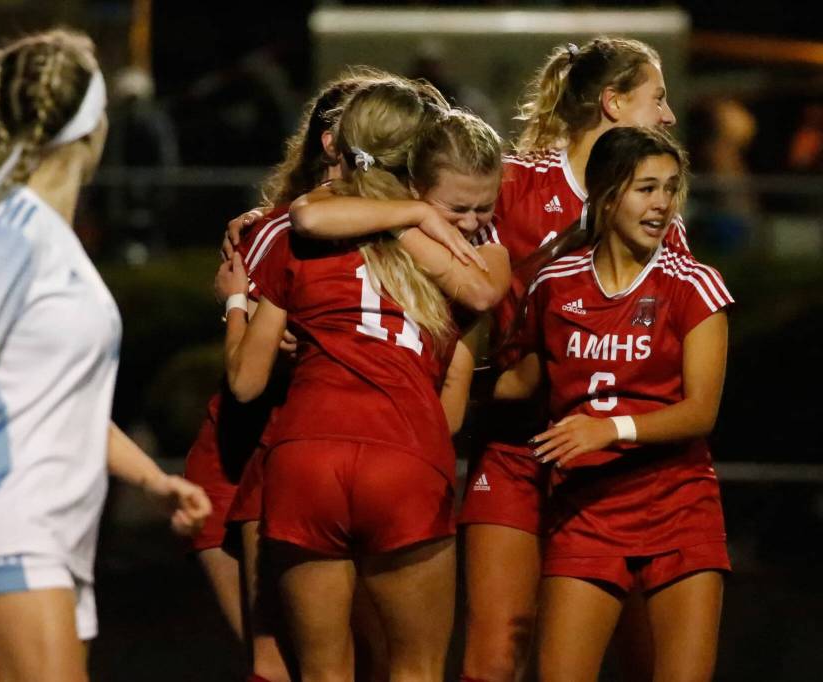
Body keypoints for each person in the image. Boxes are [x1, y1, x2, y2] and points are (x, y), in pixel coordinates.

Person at [0, 28, 210, 682]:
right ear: (91, 126)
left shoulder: (51, 239)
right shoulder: (11, 230)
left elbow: (66, 405)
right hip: (12, 521)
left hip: (58, 536)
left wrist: (153, 482)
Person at [215, 79, 508, 682]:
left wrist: (235, 304)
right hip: (403, 448)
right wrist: (423, 218)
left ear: (337, 144)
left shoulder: (293, 232)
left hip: (304, 455)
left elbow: (245, 383)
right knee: (416, 668)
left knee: (319, 670)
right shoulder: (457, 246)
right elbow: (478, 306)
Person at [457, 37, 684, 682]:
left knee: (637, 659)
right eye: (657, 98)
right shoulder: (511, 182)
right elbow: (414, 221)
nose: (668, 116)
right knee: (495, 657)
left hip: (614, 460)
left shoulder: (659, 208)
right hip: (515, 447)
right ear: (612, 104)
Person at [496, 125, 732, 682]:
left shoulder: (695, 285)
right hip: (587, 511)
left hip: (678, 508)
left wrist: (610, 429)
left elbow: (702, 411)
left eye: (670, 188)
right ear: (605, 195)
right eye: (645, 188)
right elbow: (523, 380)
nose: (662, 204)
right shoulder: (556, 282)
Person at [184, 72, 372, 682]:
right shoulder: (277, 229)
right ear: (332, 145)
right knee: (274, 663)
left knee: (335, 658)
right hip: (244, 450)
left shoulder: (405, 232)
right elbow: (245, 374)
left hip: (314, 457)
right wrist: (241, 307)